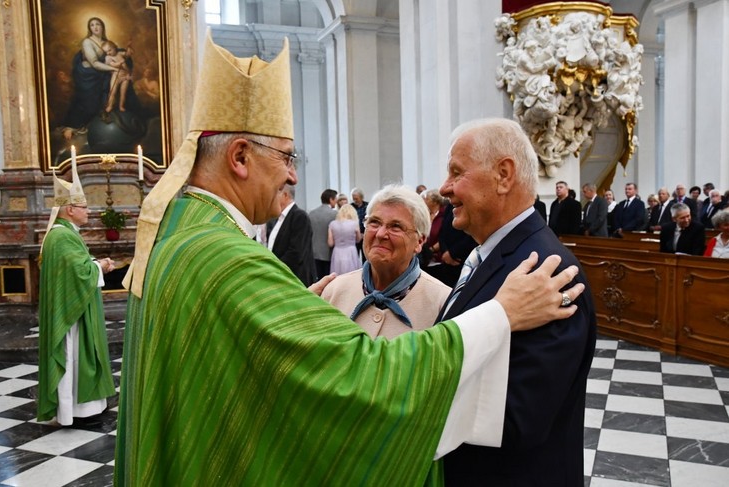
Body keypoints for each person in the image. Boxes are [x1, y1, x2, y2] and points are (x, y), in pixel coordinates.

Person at [115, 35, 585, 486]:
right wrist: (501, 314)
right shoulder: (224, 257)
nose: (293, 174)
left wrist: (294, 314)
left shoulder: (183, 234)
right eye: (286, 156)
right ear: (240, 157)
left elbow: (523, 416)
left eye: (456, 173)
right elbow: (361, 373)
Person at [437, 118, 596, 486]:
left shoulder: (546, 271)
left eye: (456, 172)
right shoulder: (493, 254)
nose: (445, 187)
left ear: (503, 175)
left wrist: (410, 397)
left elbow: (520, 418)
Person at [37, 158, 116, 426]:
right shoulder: (60, 237)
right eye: (84, 207)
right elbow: (79, 273)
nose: (89, 212)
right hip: (71, 316)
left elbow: (78, 267)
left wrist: (96, 265)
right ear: (70, 209)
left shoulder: (65, 234)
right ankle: (76, 411)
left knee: (83, 356)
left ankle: (88, 408)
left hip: (78, 308)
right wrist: (100, 266)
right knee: (74, 357)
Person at [322, 185, 451, 339]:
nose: (380, 233)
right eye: (374, 222)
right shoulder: (333, 293)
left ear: (419, 241)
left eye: (396, 226)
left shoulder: (443, 304)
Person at [62, 17, 136, 141]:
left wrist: (126, 53)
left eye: (98, 24)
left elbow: (115, 54)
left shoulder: (106, 41)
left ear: (102, 27)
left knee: (122, 83)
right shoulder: (87, 42)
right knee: (89, 103)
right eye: (92, 25)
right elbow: (95, 63)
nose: (95, 27)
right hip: (90, 76)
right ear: (89, 28)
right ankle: (73, 126)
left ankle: (114, 112)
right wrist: (113, 69)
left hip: (103, 73)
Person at [266, 184, 316, 286]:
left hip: (295, 278)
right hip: (282, 275)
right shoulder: (278, 218)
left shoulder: (299, 216)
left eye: (276, 193)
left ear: (285, 195)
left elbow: (296, 253)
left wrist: (275, 268)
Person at [309, 188, 338, 278]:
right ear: (331, 199)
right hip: (328, 252)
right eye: (335, 199)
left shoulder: (312, 213)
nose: (336, 201)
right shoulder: (335, 214)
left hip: (314, 252)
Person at [328, 203, 363, 275]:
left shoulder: (332, 224)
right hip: (351, 252)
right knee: (352, 276)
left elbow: (330, 243)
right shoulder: (354, 224)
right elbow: (358, 239)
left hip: (337, 252)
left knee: (337, 276)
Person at [102, 40, 132, 113]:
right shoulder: (108, 57)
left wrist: (129, 48)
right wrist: (119, 63)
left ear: (114, 47)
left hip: (125, 76)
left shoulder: (119, 53)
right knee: (113, 91)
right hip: (116, 76)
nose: (108, 53)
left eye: (110, 50)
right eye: (106, 52)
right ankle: (110, 106)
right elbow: (113, 64)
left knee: (123, 92)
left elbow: (128, 54)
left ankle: (121, 106)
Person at [420, 189, 447, 268]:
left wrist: (431, 250)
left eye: (426, 199)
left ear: (435, 201)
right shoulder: (425, 214)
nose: (423, 201)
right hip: (426, 258)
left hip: (440, 259)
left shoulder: (444, 215)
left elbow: (445, 236)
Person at [351, 187, 368, 261]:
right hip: (354, 236)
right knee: (354, 258)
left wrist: (363, 233)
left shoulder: (367, 206)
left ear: (361, 197)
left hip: (365, 235)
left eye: (356, 198)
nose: (355, 200)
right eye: (353, 198)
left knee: (365, 256)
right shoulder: (351, 207)